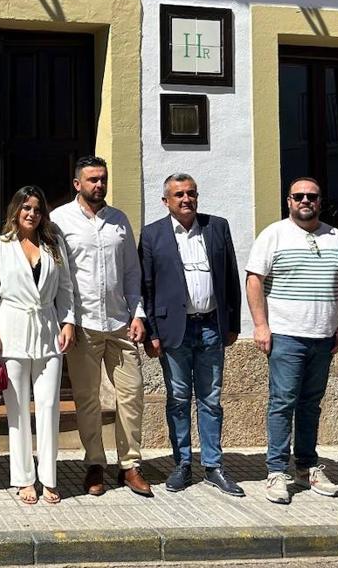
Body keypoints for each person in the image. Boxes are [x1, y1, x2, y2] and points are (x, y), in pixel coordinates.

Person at [246, 177, 338, 505]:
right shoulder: (274, 234)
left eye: (312, 196)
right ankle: (276, 471)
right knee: (282, 403)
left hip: (323, 336)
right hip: (286, 335)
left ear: (320, 201)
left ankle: (307, 467)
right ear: (289, 201)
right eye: (299, 196)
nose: (305, 201)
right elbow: (255, 280)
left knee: (311, 405)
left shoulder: (336, 237)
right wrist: (261, 325)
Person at [51, 156, 152, 497]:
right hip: (83, 324)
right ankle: (95, 463)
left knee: (132, 394)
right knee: (87, 398)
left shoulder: (119, 221)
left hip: (120, 323)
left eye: (103, 179)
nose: (99, 185)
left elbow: (131, 274)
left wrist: (138, 314)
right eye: (92, 179)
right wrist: (65, 320)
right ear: (77, 184)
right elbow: (59, 276)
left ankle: (130, 465)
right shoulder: (59, 220)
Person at [139, 173, 244, 497]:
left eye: (191, 194)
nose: (186, 199)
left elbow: (230, 277)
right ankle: (182, 464)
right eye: (179, 195)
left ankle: (213, 466)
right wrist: (151, 333)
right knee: (179, 399)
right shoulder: (152, 235)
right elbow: (147, 288)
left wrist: (233, 324)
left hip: (211, 326)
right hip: (175, 330)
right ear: (166, 201)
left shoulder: (217, 227)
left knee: (211, 400)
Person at [0, 185, 76, 505]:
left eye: (37, 208)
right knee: (18, 409)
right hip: (13, 331)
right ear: (15, 211)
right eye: (26, 208)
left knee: (49, 406)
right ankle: (24, 478)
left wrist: (68, 322)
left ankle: (49, 476)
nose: (31, 214)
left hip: (49, 332)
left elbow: (66, 289)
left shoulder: (54, 245)